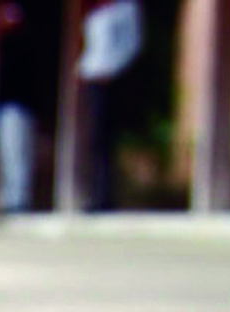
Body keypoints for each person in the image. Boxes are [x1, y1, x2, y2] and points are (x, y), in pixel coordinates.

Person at [78, 0, 143, 212]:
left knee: (105, 138)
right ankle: (92, 193)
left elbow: (132, 44)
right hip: (92, 78)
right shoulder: (95, 10)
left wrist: (112, 69)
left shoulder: (127, 8)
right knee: (93, 140)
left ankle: (106, 195)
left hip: (110, 80)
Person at [0, 2, 37, 213]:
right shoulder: (1, 47)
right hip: (5, 108)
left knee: (17, 153)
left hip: (17, 107)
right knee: (7, 154)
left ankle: (18, 199)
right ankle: (9, 197)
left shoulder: (20, 46)